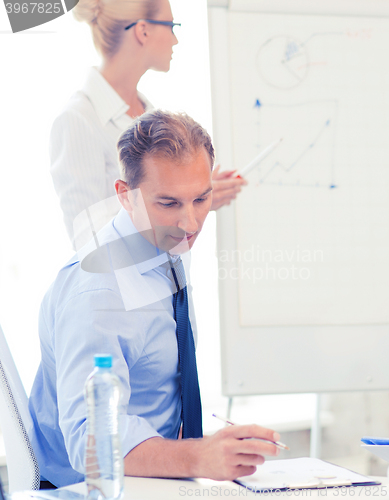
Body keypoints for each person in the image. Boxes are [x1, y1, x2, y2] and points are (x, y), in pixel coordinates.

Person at [29, 110, 280, 488]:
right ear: (124, 196)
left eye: (201, 198)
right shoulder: (98, 295)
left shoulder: (166, 240)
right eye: (169, 203)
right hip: (92, 489)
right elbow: (90, 444)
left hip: (157, 478)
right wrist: (198, 455)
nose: (191, 223)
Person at [50, 0, 246, 247]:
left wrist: (193, 195)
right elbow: (89, 239)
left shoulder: (149, 112)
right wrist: (174, 204)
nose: (175, 40)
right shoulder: (78, 119)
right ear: (143, 31)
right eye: (171, 26)